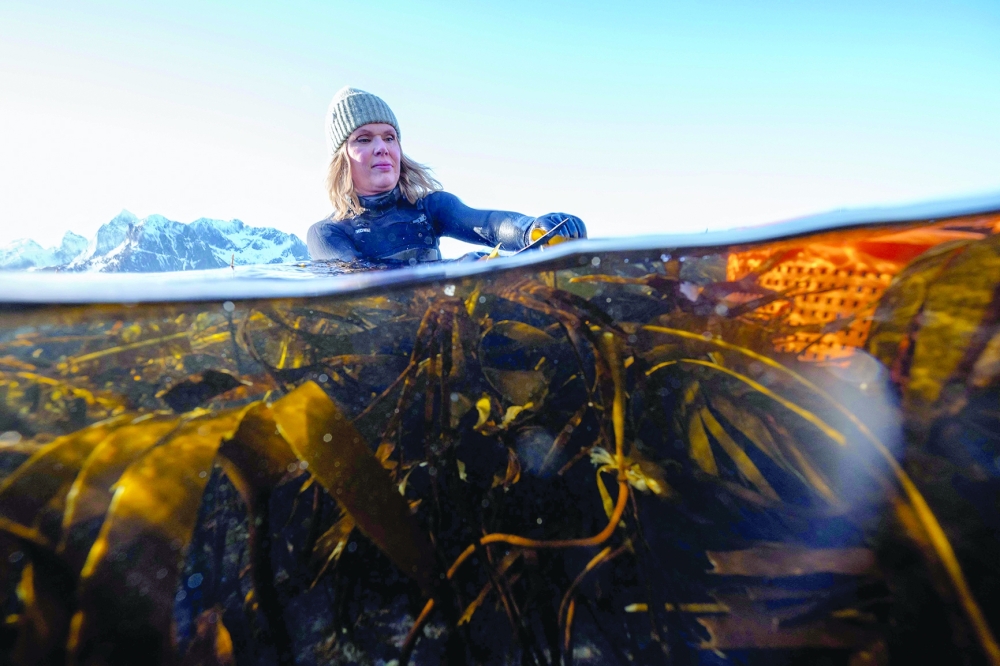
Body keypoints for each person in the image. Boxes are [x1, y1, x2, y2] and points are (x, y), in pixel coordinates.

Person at [307, 87, 586, 265]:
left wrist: (532, 229)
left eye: (389, 137)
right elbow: (361, 279)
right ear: (341, 160)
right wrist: (455, 268)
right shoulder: (327, 233)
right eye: (364, 139)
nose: (382, 148)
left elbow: (488, 224)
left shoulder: (431, 208)